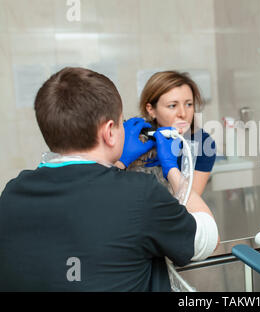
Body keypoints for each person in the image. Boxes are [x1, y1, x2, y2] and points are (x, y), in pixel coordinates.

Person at [0, 67, 219, 291]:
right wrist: (172, 170)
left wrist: (119, 163)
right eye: (121, 122)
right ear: (109, 132)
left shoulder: (11, 195)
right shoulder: (139, 194)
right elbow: (207, 238)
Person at [127, 71, 216, 196]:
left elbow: (190, 203)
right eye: (172, 106)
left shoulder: (203, 143)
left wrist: (171, 169)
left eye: (189, 104)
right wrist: (120, 163)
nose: (183, 113)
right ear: (151, 110)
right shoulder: (136, 139)